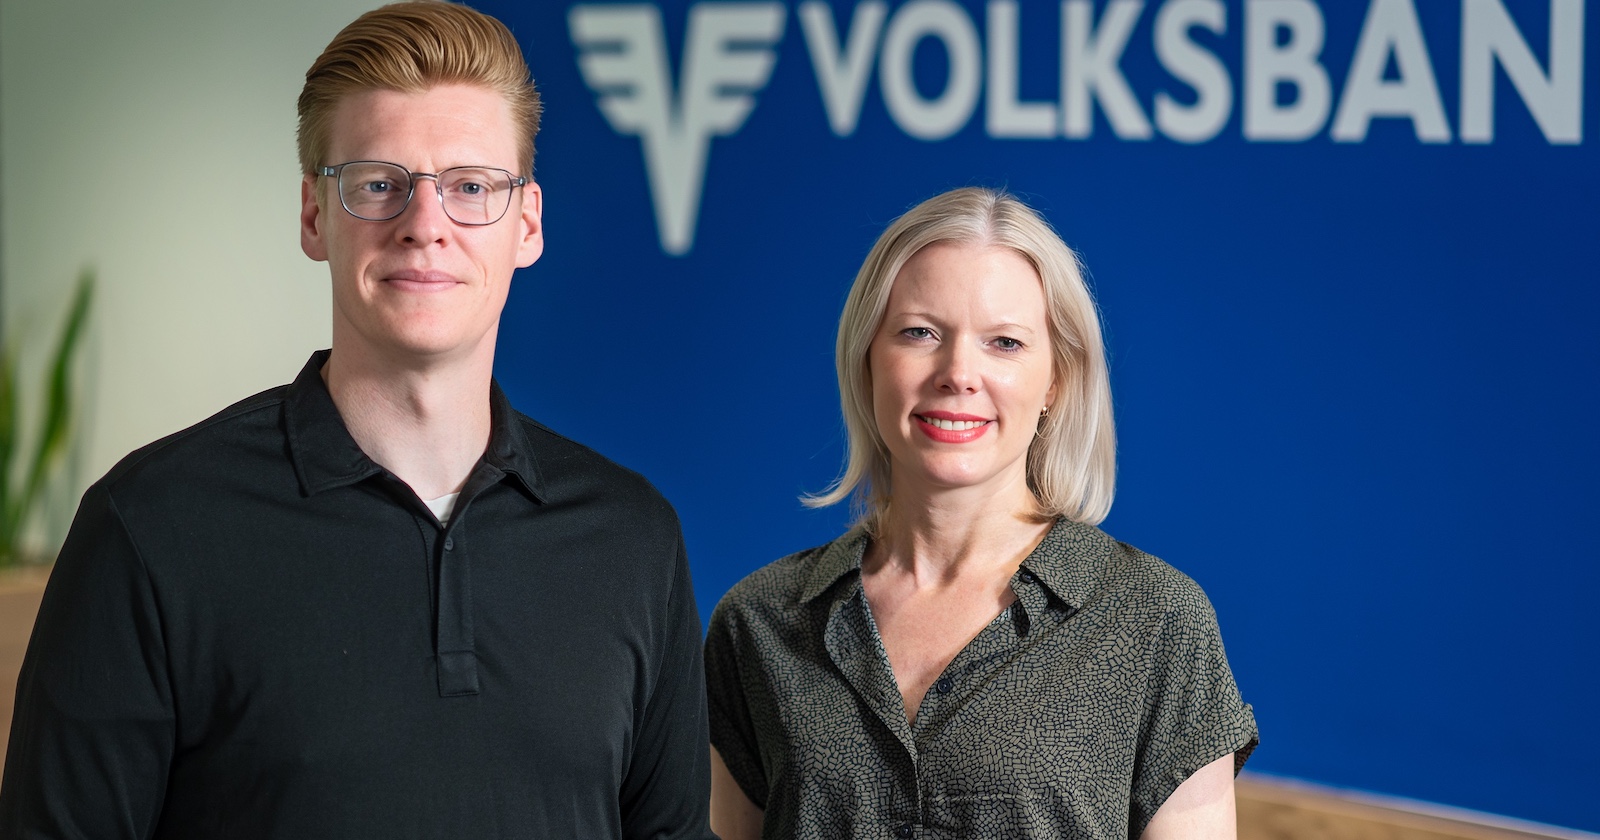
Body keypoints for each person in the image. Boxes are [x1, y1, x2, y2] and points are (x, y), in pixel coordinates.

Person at [0, 3, 714, 838]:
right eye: (379, 184)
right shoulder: (151, 527)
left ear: (527, 224)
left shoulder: (632, 539)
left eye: (471, 187)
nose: (425, 226)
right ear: (314, 216)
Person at [704, 187, 1258, 839]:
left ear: (1056, 379)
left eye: (1004, 343)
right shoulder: (759, 621)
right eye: (920, 332)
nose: (958, 372)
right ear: (867, 360)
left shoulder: (1157, 620)